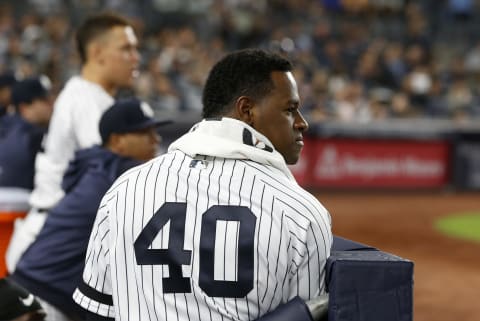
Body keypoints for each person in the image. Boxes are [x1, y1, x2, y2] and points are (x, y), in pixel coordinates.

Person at [74, 49, 332, 321]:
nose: (302, 123)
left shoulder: (125, 189)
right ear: (247, 110)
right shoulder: (303, 213)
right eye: (290, 109)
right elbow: (306, 315)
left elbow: (98, 312)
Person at [10, 98, 169, 321]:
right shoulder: (117, 176)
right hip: (43, 295)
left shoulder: (98, 166)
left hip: (34, 283)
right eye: (145, 133)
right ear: (118, 140)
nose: (156, 140)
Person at [6, 12, 141, 272]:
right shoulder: (86, 101)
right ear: (97, 52)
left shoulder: (91, 97)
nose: (135, 57)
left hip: (57, 237)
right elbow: (112, 175)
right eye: (126, 49)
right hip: (52, 243)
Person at [0, 76, 53, 190]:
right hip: (20, 204)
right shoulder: (36, 137)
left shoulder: (6, 128)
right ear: (25, 108)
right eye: (44, 100)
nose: (50, 104)